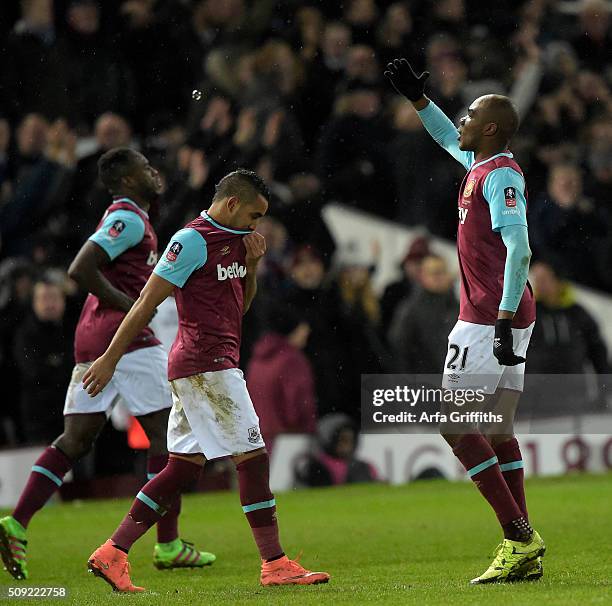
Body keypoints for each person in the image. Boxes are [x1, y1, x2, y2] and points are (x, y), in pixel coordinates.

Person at [82, 169, 330, 592]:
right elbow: (146, 301)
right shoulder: (190, 241)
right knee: (253, 457)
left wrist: (251, 266)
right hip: (205, 364)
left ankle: (113, 552)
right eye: (253, 215)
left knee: (181, 468)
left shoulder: (236, 242)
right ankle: (274, 563)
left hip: (210, 364)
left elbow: (240, 307)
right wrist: (109, 357)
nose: (256, 226)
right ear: (232, 203)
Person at [0, 148, 213, 581]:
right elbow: (80, 268)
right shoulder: (128, 219)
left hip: (92, 337)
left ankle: (15, 523)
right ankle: (168, 544)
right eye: (145, 168)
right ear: (127, 180)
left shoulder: (134, 217)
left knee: (75, 441)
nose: (154, 172)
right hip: (127, 339)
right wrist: (131, 305)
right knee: (170, 442)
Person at [385, 58, 545, 584]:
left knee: (455, 423)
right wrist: (418, 100)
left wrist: (498, 318)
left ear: (492, 127)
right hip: (505, 310)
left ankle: (518, 535)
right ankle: (522, 547)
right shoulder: (482, 165)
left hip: (488, 314)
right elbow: (443, 137)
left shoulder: (499, 175)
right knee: (497, 428)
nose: (463, 119)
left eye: (471, 113)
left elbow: (520, 246)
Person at [247, 306, 317, 453]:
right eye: (302, 327)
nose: (307, 331)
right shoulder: (292, 360)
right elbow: (298, 403)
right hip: (289, 440)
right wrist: (309, 429)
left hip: (259, 441)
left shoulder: (256, 360)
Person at [13, 277, 73, 444]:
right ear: (34, 302)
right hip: (38, 419)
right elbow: (34, 373)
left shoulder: (72, 330)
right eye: (44, 298)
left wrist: (54, 365)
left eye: (54, 297)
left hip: (71, 416)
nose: (49, 304)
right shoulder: (24, 335)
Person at [388, 254, 459, 374]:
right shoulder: (411, 309)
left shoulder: (458, 307)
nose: (439, 277)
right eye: (434, 273)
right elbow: (399, 347)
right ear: (422, 276)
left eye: (442, 272)